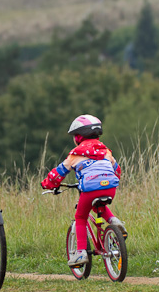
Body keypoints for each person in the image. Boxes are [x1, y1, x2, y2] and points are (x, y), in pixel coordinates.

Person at [41, 114, 126, 266]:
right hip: (110, 187)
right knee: (99, 205)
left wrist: (47, 184)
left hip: (90, 189)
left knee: (80, 217)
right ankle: (115, 221)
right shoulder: (106, 151)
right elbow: (117, 170)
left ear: (79, 137)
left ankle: (80, 253)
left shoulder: (75, 154)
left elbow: (57, 174)